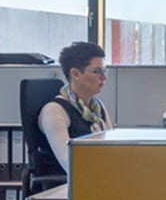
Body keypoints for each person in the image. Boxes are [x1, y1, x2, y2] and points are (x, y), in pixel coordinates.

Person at [34, 41, 113, 179]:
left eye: (105, 71)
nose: (104, 77)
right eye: (97, 71)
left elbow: (112, 150)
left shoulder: (97, 108)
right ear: (75, 74)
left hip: (98, 179)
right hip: (69, 187)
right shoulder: (54, 111)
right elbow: (69, 164)